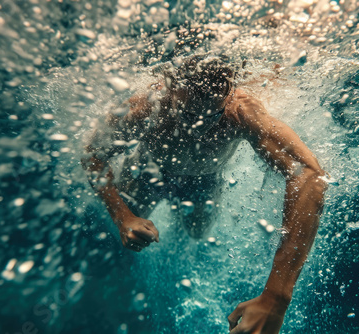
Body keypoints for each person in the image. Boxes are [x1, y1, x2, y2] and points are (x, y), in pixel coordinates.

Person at [81, 55, 328, 334]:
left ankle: (173, 218)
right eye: (189, 114)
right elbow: (93, 155)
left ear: (229, 91)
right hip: (147, 171)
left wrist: (276, 298)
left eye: (213, 115)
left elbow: (309, 175)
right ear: (168, 86)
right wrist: (122, 216)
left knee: (197, 232)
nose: (202, 126)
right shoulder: (143, 107)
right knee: (126, 237)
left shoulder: (240, 111)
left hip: (204, 183)